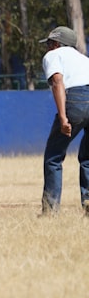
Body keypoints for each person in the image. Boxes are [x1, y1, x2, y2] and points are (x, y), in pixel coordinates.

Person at [39, 25, 89, 217]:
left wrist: (63, 117)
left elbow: (58, 82)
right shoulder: (84, 59)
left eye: (50, 43)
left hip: (76, 99)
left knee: (53, 157)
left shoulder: (53, 56)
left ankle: (50, 210)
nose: (48, 47)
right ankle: (88, 200)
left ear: (58, 43)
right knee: (88, 157)